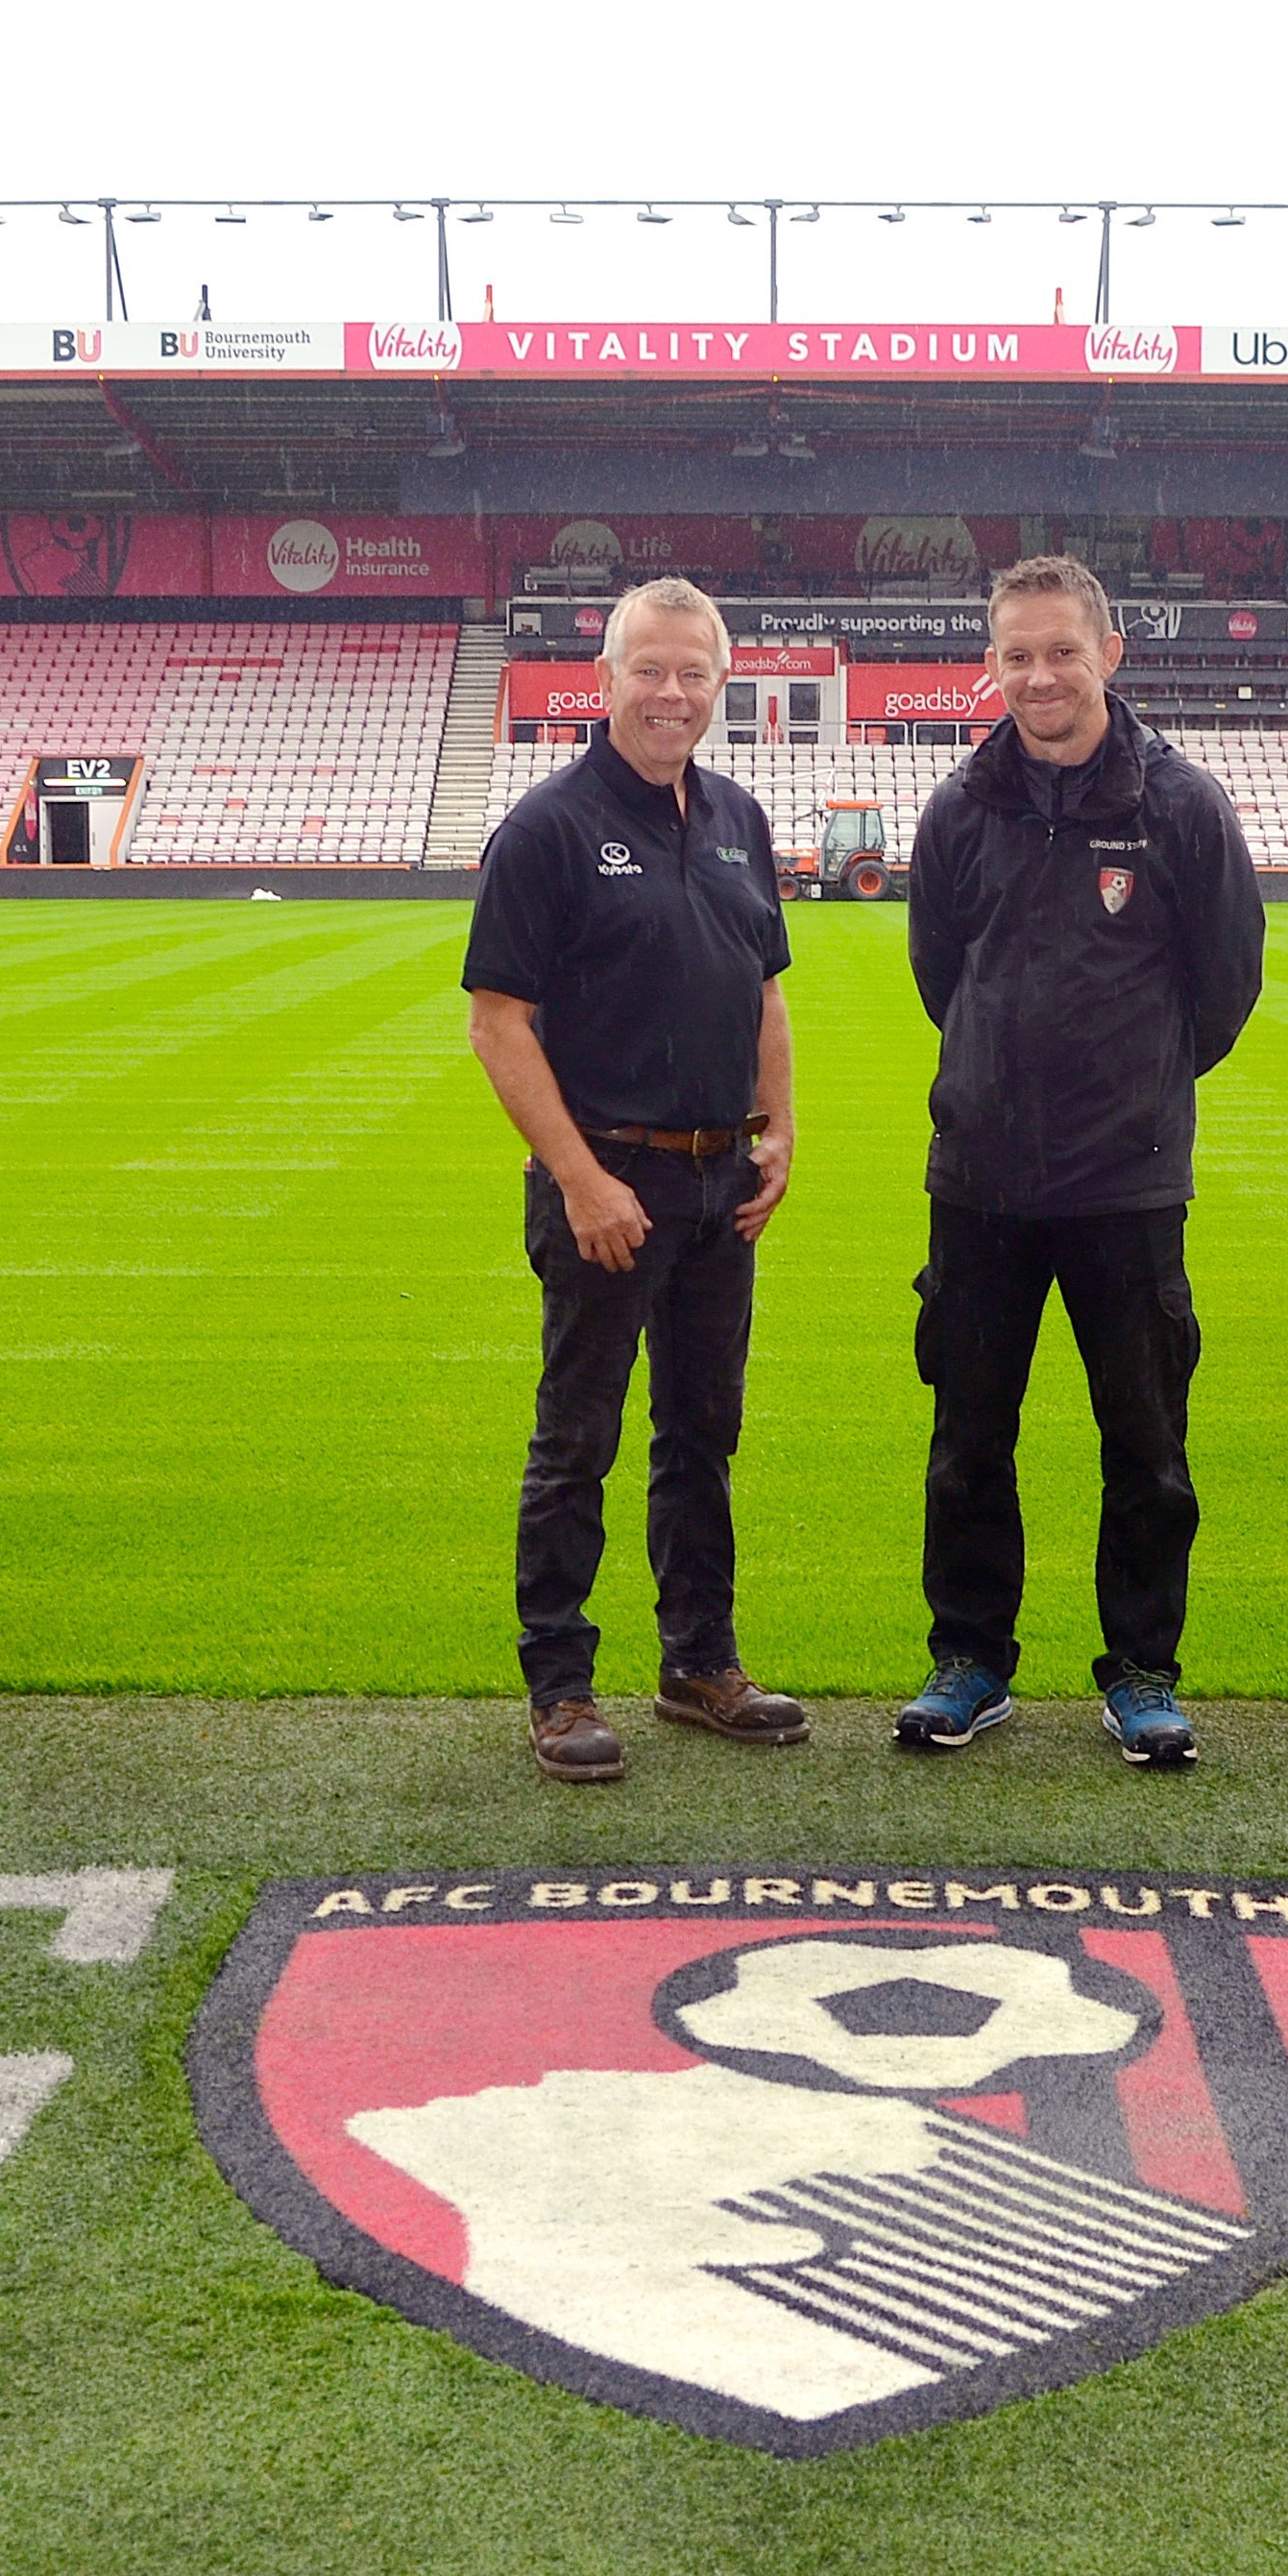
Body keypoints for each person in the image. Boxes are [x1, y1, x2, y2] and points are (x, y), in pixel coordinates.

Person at [893, 553, 1266, 1769]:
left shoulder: (1180, 805)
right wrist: (998, 1085)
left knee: (1146, 1447)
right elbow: (940, 977)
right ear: (990, 665)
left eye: (1061, 650)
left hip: (1126, 1186)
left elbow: (1225, 986)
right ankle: (968, 1662)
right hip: (981, 1184)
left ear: (1108, 653)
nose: (1040, 675)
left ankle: (1142, 1672)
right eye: (1017, 654)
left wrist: (1133, 1091)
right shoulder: (958, 808)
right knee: (967, 1442)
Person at [462, 577, 807, 1782]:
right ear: (603, 678)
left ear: (720, 683)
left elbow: (763, 990)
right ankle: (559, 1686)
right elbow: (497, 1022)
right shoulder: (547, 829)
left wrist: (777, 1127)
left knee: (702, 1433)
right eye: (648, 670)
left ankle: (698, 1663)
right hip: (606, 1181)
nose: (670, 693)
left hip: (719, 1188)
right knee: (577, 1439)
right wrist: (577, 1178)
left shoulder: (736, 817)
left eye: (691, 673)